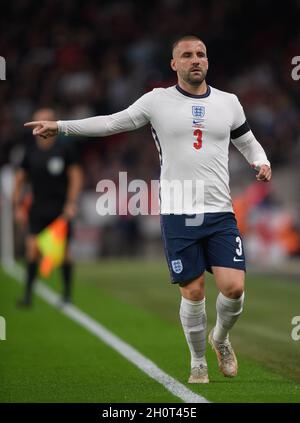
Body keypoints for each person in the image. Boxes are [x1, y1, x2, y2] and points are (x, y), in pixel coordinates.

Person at [24, 36, 271, 383]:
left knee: (234, 288)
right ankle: (198, 359)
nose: (195, 60)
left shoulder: (229, 103)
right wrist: (62, 127)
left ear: (208, 61)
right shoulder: (157, 101)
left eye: (201, 54)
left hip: (219, 212)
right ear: (174, 64)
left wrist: (261, 160)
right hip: (177, 212)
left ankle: (220, 338)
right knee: (194, 291)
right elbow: (112, 122)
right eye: (187, 55)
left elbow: (246, 140)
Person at [14, 108, 83, 307]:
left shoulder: (64, 149)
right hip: (37, 209)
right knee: (32, 250)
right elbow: (20, 179)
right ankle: (27, 297)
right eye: (37, 121)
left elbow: (76, 176)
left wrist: (71, 203)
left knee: (64, 255)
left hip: (60, 210)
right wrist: (18, 205)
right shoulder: (29, 150)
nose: (41, 124)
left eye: (46, 120)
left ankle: (67, 295)